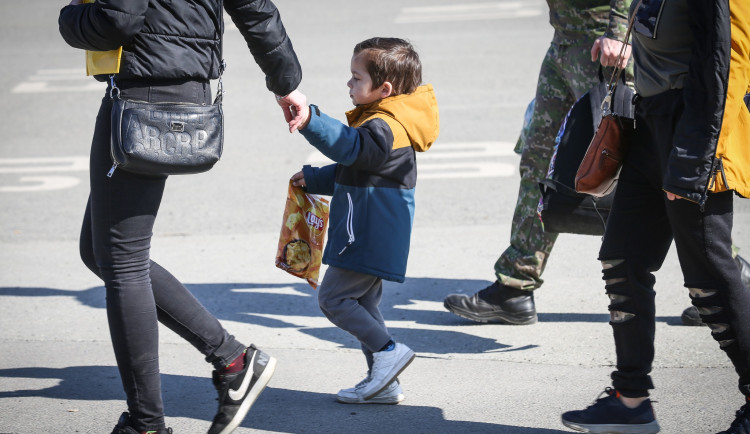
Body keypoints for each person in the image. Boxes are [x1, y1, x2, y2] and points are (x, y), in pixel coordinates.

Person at [58, 1, 304, 433]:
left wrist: (71, 17)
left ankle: (147, 423)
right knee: (99, 252)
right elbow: (256, 9)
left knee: (121, 261)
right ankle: (233, 360)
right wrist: (286, 83)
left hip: (143, 96)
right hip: (180, 89)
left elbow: (118, 18)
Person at [561, 0, 750, 432]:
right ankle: (630, 401)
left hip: (694, 130)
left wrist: (694, 156)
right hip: (649, 123)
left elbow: (729, 63)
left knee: (709, 279)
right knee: (622, 262)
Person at [442, 0, 635, 325]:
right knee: (540, 162)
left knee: (638, 167)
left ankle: (719, 268)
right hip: (565, 39)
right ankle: (515, 287)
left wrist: (619, 29)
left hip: (604, 43)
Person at [286, 37, 439, 404]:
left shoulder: (384, 126)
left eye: (356, 78)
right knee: (365, 307)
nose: (349, 84)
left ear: (383, 89)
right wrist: (317, 178)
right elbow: (360, 168)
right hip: (374, 231)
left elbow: (352, 149)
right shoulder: (388, 121)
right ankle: (384, 382)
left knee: (334, 298)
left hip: (367, 233)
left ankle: (388, 352)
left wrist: (310, 120)